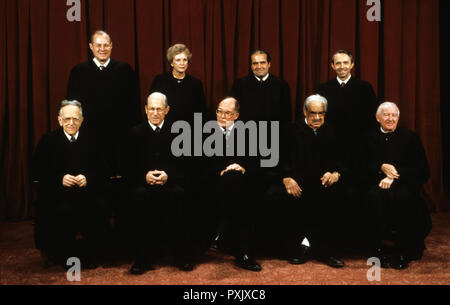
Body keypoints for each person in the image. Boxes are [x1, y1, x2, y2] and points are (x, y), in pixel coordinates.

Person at [268, 94, 346, 268]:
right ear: (304, 111)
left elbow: (342, 162)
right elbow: (275, 159)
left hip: (323, 183)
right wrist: (286, 178)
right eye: (313, 113)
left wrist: (336, 174)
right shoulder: (290, 130)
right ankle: (297, 248)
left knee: (340, 196)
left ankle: (326, 251)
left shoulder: (332, 131)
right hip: (296, 182)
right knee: (282, 197)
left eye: (321, 113)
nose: (317, 117)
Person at [32, 100, 109, 269]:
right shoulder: (48, 141)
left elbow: (104, 170)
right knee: (61, 210)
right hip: (58, 194)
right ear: (59, 120)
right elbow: (37, 173)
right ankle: (63, 254)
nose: (71, 123)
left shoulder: (94, 140)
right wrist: (59, 179)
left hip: (87, 193)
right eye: (67, 119)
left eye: (75, 119)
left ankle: (92, 254)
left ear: (82, 120)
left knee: (99, 206)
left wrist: (88, 178)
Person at [125, 92, 194, 275]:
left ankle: (181, 256)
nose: (155, 113)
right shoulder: (135, 133)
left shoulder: (178, 132)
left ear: (167, 110)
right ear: (146, 110)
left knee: (180, 195)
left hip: (171, 183)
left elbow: (187, 165)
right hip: (143, 184)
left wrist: (168, 176)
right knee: (138, 196)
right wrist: (144, 176)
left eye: (159, 109)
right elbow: (127, 167)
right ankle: (143, 258)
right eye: (152, 109)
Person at [361, 102, 431, 270]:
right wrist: (380, 168)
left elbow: (422, 170)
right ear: (378, 118)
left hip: (403, 184)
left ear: (398, 118)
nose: (390, 119)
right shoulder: (367, 138)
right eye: (386, 115)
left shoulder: (410, 137)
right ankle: (376, 250)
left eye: (394, 115)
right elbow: (360, 166)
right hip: (375, 183)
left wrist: (393, 176)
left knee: (403, 198)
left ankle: (403, 251)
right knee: (373, 196)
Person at [66, 30, 141, 177]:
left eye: (106, 45)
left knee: (118, 179)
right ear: (91, 47)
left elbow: (133, 104)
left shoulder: (124, 70)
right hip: (89, 134)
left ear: (111, 46)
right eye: (98, 45)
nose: (102, 49)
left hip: (119, 135)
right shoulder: (79, 71)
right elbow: (71, 105)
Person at [205, 97, 262, 272]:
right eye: (219, 111)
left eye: (227, 113)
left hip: (241, 183)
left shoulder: (248, 132)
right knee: (234, 185)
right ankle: (244, 253)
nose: (222, 116)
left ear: (236, 115)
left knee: (235, 179)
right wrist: (219, 172)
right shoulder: (204, 131)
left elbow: (258, 161)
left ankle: (222, 230)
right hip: (213, 182)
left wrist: (243, 167)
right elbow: (198, 162)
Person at [149, 43, 207, 123]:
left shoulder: (196, 84)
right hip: (165, 129)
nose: (182, 63)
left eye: (185, 60)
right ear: (172, 63)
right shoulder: (160, 81)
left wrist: (197, 133)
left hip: (189, 129)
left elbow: (200, 112)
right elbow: (152, 108)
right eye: (178, 60)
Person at [230, 49, 291, 123]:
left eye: (262, 63)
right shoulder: (239, 85)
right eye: (255, 63)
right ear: (251, 66)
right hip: (248, 131)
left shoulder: (282, 85)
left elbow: (286, 116)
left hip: (274, 131)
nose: (259, 66)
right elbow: (233, 112)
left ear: (269, 64)